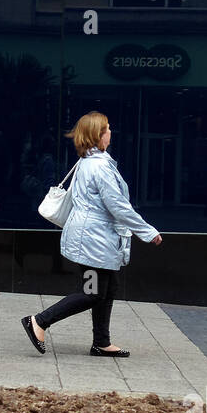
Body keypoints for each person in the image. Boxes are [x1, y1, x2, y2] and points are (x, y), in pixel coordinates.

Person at [20, 112, 161, 357]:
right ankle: (39, 321)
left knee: (108, 288)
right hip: (92, 242)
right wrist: (147, 231)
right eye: (107, 129)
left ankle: (101, 342)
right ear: (97, 135)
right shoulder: (98, 166)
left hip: (97, 239)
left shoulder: (91, 162)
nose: (110, 132)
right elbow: (117, 206)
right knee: (91, 293)